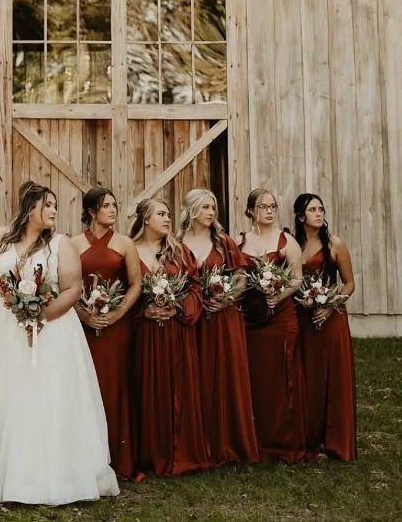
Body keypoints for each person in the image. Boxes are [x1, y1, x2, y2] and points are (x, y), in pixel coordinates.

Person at [0, 183, 118, 505]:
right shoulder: (3, 238)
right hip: (6, 330)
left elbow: (72, 288)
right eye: (48, 205)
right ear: (31, 207)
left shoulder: (61, 244)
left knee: (46, 397)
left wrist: (42, 315)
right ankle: (2, 474)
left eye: (55, 207)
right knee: (6, 397)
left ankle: (50, 476)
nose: (53, 211)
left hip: (52, 332)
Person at [130, 196, 210, 477]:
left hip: (177, 331)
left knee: (179, 387)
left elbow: (196, 287)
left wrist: (178, 307)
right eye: (161, 214)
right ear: (145, 219)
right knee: (149, 388)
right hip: (146, 334)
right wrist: (145, 312)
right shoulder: (131, 251)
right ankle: (152, 453)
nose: (167, 219)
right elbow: (126, 291)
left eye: (168, 214)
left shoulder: (180, 253)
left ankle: (181, 452)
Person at [179, 188, 258, 466]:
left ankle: (227, 443)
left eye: (213, 207)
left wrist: (227, 298)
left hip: (224, 318)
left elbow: (241, 276)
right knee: (195, 377)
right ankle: (198, 443)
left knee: (225, 375)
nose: (211, 212)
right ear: (192, 211)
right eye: (205, 208)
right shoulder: (177, 243)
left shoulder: (223, 242)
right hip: (192, 319)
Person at [72, 185, 142, 480]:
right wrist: (84, 314)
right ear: (91, 212)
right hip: (82, 328)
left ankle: (118, 458)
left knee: (115, 386)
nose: (113, 210)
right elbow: (67, 285)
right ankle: (83, 458)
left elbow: (135, 284)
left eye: (115, 205)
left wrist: (117, 313)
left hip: (117, 328)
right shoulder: (73, 244)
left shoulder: (125, 243)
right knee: (84, 386)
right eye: (107, 205)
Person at [237, 188, 306, 463]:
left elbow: (297, 278)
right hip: (252, 318)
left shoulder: (286, 241)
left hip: (281, 317)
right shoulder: (240, 241)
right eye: (264, 206)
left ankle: (284, 443)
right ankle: (257, 440)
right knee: (256, 377)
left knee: (282, 375)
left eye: (273, 206)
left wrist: (278, 294)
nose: (269, 211)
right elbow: (239, 276)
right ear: (252, 210)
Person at [293, 192, 357, 461]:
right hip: (304, 319)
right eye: (312, 210)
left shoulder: (334, 244)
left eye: (321, 209)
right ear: (300, 216)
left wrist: (330, 305)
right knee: (310, 377)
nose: (319, 214)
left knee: (334, 376)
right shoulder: (293, 245)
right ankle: (309, 438)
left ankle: (336, 440)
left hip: (331, 318)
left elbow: (349, 282)